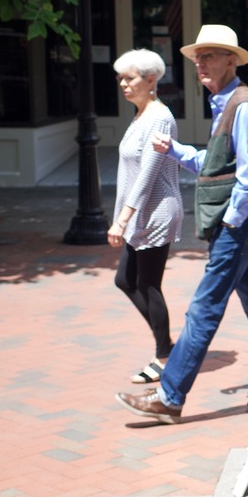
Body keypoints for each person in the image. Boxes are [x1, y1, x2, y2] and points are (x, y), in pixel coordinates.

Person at [115, 23, 248, 424]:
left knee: (204, 308)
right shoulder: (226, 104)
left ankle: (170, 396)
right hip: (232, 226)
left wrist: (232, 222)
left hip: (235, 227)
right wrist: (176, 151)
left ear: (231, 60)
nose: (200, 64)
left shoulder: (241, 105)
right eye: (197, 58)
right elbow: (217, 163)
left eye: (209, 56)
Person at [108, 50, 183, 384]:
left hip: (155, 213)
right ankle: (166, 344)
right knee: (125, 280)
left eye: (130, 78)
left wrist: (122, 220)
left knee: (148, 284)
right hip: (138, 215)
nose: (124, 84)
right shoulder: (140, 115)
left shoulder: (159, 118)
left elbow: (147, 175)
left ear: (152, 80)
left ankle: (164, 356)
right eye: (121, 78)